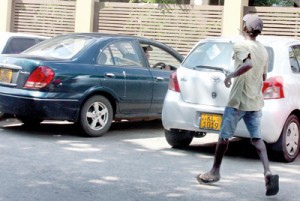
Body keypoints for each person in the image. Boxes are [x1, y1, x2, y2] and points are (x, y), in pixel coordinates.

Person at [196, 14, 279, 196]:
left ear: (245, 28)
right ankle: (267, 172)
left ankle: (215, 171)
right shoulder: (264, 50)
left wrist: (230, 76)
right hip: (255, 101)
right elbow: (263, 77)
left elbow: (248, 64)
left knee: (224, 137)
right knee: (257, 139)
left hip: (238, 101)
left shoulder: (241, 45)